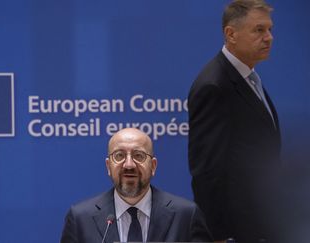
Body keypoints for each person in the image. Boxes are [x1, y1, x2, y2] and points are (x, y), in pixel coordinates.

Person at [188, 0, 281, 242]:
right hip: (237, 231)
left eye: (270, 29)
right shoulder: (214, 85)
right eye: (259, 30)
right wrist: (216, 235)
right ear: (231, 34)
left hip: (262, 221)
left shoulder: (249, 76)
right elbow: (207, 170)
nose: (269, 37)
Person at [60, 128, 212, 243]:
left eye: (139, 155)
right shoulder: (80, 219)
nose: (129, 165)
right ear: (108, 166)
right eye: (119, 155)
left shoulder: (186, 216)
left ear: (153, 166)